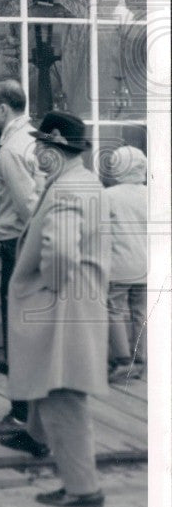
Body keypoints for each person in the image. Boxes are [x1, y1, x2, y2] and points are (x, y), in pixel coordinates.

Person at [7, 111, 110, 507]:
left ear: (54, 149)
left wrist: (45, 287)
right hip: (77, 303)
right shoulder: (83, 182)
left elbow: (62, 250)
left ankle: (83, 489)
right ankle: (38, 440)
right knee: (54, 388)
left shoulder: (68, 190)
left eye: (42, 146)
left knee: (62, 395)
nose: (36, 153)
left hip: (62, 306)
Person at [0, 80, 42, 438]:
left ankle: (20, 416)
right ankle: (31, 413)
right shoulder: (31, 140)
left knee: (16, 331)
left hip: (18, 246)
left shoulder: (10, 151)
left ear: (4, 109)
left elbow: (29, 207)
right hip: (27, 246)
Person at [104, 145, 147, 381]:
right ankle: (140, 359)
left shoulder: (109, 196)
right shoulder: (151, 194)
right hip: (146, 263)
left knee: (115, 310)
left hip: (119, 264)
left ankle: (122, 360)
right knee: (141, 312)